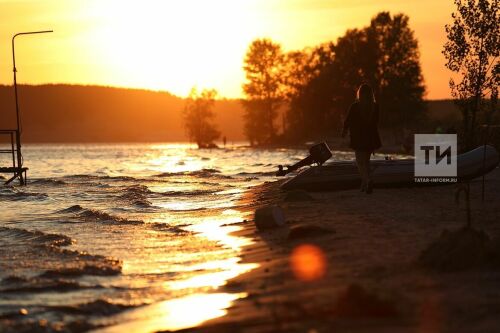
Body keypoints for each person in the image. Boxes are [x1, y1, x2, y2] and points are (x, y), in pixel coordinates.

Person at [341, 84, 382, 194]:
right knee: (366, 162)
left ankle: (368, 180)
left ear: (360, 93)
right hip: (371, 138)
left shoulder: (355, 106)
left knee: (360, 162)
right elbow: (375, 123)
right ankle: (364, 185)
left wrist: (344, 131)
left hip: (359, 138)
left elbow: (348, 120)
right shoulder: (375, 107)